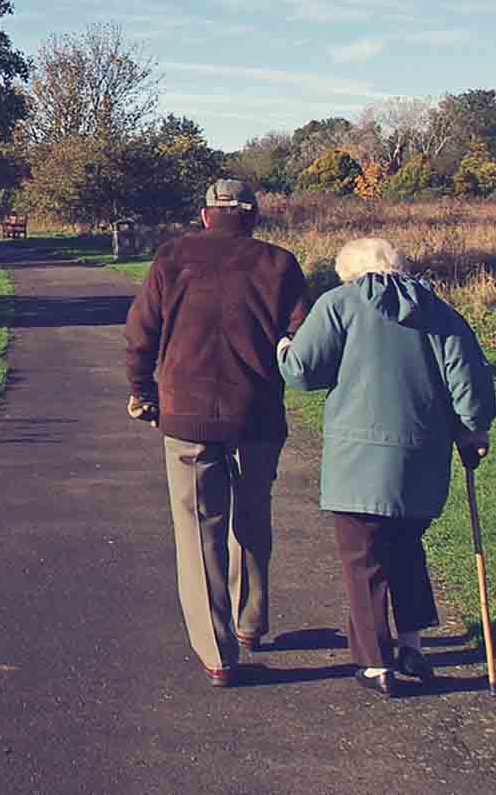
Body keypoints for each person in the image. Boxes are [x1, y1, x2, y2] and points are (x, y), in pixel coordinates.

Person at [278, 235, 496, 698]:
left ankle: (376, 662)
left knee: (363, 559)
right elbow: (469, 382)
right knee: (406, 549)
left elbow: (301, 371)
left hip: (357, 461)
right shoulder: (440, 311)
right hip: (422, 457)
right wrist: (474, 430)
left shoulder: (339, 304)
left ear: (351, 272)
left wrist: (282, 346)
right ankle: (412, 644)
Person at [125, 178, 312, 688]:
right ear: (252, 216)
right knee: (252, 516)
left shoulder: (171, 258)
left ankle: (218, 653)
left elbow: (140, 332)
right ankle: (251, 621)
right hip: (257, 414)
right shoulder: (280, 264)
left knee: (198, 531)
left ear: (206, 215)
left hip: (186, 415)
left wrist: (142, 391)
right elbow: (302, 338)